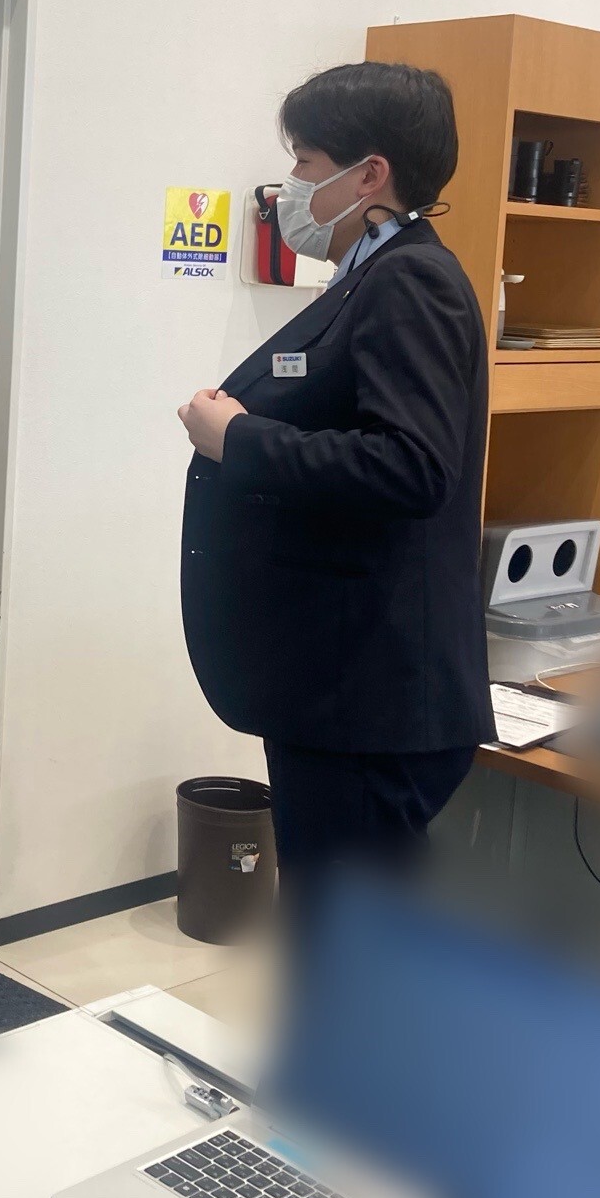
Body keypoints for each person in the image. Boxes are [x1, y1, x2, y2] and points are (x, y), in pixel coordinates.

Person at [177, 62, 494, 917]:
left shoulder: (411, 280)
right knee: (336, 931)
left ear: (369, 175)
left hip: (370, 694)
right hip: (340, 683)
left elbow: (411, 465)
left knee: (346, 938)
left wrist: (240, 439)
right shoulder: (367, 277)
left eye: (306, 163)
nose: (290, 187)